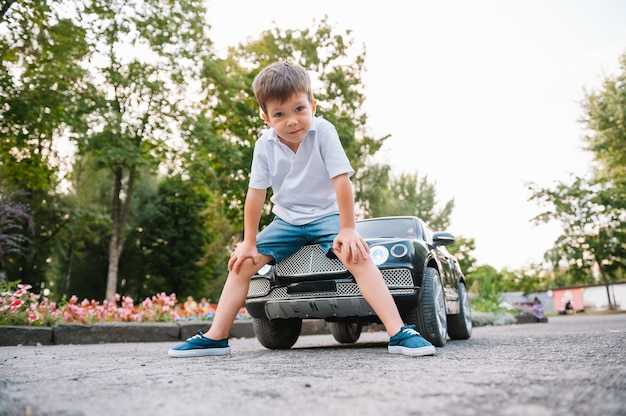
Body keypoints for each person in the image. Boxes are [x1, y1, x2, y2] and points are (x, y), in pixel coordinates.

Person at [168, 61, 436, 358]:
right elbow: (255, 194)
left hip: (327, 216)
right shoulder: (264, 145)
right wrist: (249, 241)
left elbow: (341, 181)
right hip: (287, 220)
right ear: (266, 117)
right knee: (242, 264)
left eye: (299, 109)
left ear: (313, 105)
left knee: (357, 255)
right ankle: (215, 337)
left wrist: (347, 229)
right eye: (279, 114)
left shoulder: (323, 131)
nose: (292, 121)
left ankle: (398, 333)